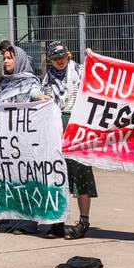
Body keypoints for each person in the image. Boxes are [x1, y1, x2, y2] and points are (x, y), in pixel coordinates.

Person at [0, 42, 53, 236]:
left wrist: (41, 98)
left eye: (10, 58)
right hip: (7, 141)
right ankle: (11, 219)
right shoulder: (5, 83)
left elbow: (33, 92)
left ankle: (27, 223)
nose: (6, 62)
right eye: (4, 58)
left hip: (25, 141)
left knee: (26, 180)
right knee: (11, 180)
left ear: (19, 60)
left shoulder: (29, 80)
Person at [42, 42, 96, 240]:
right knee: (58, 175)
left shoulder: (79, 72)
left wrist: (92, 57)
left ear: (68, 55)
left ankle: (83, 221)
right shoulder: (48, 78)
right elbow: (44, 98)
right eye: (56, 58)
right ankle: (58, 221)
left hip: (77, 126)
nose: (60, 61)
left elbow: (97, 77)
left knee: (82, 175)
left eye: (62, 57)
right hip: (57, 129)